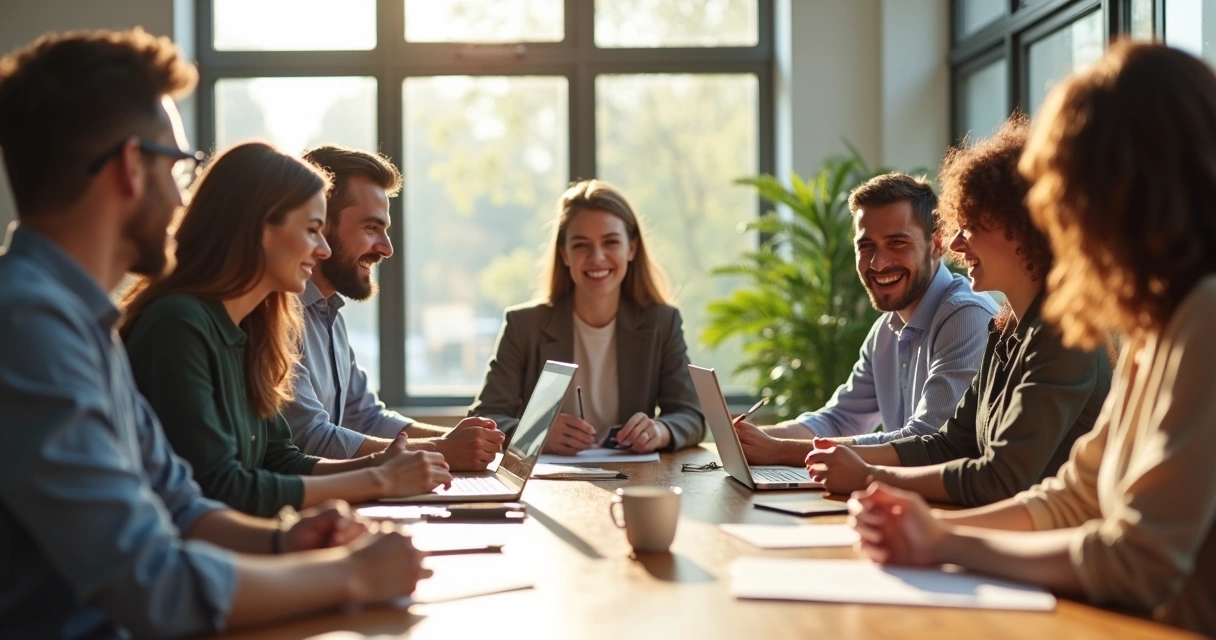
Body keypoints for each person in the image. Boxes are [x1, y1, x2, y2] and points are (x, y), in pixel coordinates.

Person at [0, 28, 428, 639]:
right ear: (130, 167)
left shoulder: (80, 321)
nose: (184, 195)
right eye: (179, 166)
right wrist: (350, 575)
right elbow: (150, 582)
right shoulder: (29, 327)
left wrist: (287, 542)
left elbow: (178, 503)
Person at [849, 42, 1216, 637]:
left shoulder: (1204, 317)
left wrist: (945, 542)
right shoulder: (1157, 328)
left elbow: (1139, 561)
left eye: (1068, 193)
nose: (1059, 217)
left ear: (1130, 187)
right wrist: (937, 533)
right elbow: (1074, 497)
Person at [121, 141, 452, 517]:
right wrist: (380, 478)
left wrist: (387, 465)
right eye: (313, 230)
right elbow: (219, 487)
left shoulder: (252, 327)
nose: (323, 249)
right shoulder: (178, 324)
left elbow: (280, 457)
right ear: (261, 228)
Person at [803, 116, 1111, 506]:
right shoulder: (1005, 329)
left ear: (1023, 226)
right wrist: (842, 458)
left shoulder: (1064, 333)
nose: (957, 244)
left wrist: (868, 475)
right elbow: (951, 443)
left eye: (970, 226)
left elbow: (1000, 477)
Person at [734, 173, 998, 466]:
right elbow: (840, 419)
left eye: (897, 242)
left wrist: (779, 451)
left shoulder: (966, 316)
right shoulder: (886, 330)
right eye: (866, 246)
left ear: (937, 244)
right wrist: (756, 437)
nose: (877, 263)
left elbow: (925, 440)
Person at [282, 144, 504, 470]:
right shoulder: (278, 315)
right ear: (320, 225)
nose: (386, 249)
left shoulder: (329, 314)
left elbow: (365, 417)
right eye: (371, 228)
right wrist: (443, 449)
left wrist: (464, 442)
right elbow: (310, 438)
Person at [470, 179, 704, 455]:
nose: (597, 257)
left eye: (611, 242)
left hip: (634, 482)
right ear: (564, 254)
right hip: (546, 487)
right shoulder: (524, 326)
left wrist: (659, 431)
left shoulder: (662, 323)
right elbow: (484, 421)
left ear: (631, 249)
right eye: (581, 245)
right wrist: (536, 433)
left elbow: (690, 415)